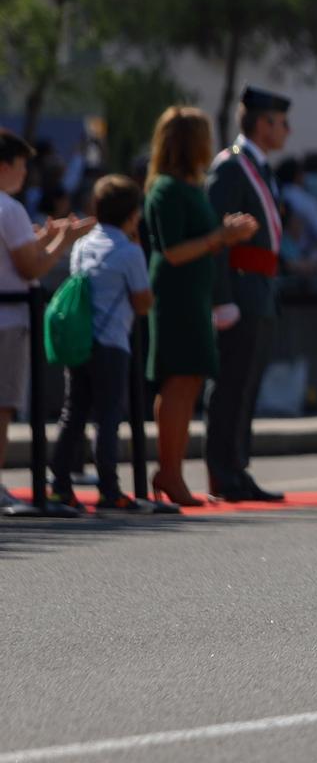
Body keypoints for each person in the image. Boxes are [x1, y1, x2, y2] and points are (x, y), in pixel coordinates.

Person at [144, 107, 259, 507]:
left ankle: (171, 471)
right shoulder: (167, 189)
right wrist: (219, 237)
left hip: (193, 294)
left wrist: (223, 234)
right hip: (176, 294)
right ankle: (169, 472)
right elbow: (172, 251)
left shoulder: (188, 187)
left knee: (189, 381)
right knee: (178, 381)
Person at [205, 85, 292, 502]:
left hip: (259, 287)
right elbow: (216, 237)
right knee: (231, 384)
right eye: (280, 122)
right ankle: (223, 472)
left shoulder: (257, 167)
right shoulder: (230, 167)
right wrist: (221, 298)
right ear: (261, 123)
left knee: (247, 385)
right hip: (239, 285)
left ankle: (237, 467)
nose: (287, 131)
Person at [1, 129, 94, 514]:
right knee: (3, 405)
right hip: (7, 321)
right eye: (22, 165)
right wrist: (64, 239)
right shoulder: (9, 208)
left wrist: (44, 237)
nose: (26, 174)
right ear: (5, 166)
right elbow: (29, 266)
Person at [50, 175, 156, 511]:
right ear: (132, 215)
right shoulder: (128, 251)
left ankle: (60, 485)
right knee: (108, 416)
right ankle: (109, 489)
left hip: (80, 341)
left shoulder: (82, 245)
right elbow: (143, 303)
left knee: (73, 413)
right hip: (111, 343)